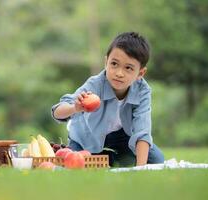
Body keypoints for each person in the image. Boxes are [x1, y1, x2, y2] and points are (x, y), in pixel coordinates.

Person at [51, 32, 164, 167]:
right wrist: (75, 108)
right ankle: (102, 157)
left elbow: (142, 131)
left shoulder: (142, 91)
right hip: (86, 136)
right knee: (77, 163)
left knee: (156, 159)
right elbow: (57, 111)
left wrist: (141, 168)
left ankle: (111, 158)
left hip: (121, 137)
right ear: (106, 62)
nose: (119, 73)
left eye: (128, 68)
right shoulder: (95, 84)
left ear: (140, 73)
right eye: (114, 64)